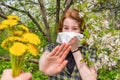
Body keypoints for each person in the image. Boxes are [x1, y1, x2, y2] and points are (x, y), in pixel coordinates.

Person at [39, 9, 97, 80]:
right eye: (66, 28)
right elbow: (43, 60)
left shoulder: (89, 50)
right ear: (61, 30)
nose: (70, 32)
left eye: (75, 28)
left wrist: (75, 50)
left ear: (81, 31)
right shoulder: (52, 48)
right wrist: (43, 65)